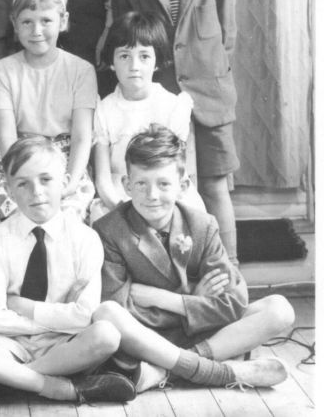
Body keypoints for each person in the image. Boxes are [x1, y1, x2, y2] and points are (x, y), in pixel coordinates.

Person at [0, 137, 136, 413]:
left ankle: (4, 381)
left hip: (64, 346)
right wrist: (56, 317)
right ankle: (55, 387)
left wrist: (26, 308)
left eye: (46, 179)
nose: (36, 192)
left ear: (65, 182)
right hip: (9, 345)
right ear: (8, 189)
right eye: (22, 183)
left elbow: (84, 316)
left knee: (106, 335)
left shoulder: (86, 239)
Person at [92, 125, 292, 392]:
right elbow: (119, 306)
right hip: (148, 340)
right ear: (127, 185)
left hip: (200, 335)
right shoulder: (109, 229)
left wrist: (170, 299)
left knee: (279, 310)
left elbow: (232, 303)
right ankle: (221, 371)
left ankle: (166, 371)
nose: (152, 195)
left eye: (163, 184)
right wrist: (197, 298)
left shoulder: (202, 225)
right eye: (141, 183)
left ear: (182, 186)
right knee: (108, 315)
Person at [110, 0, 239, 262]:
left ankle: (229, 270)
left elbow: (227, 35)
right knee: (168, 190)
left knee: (215, 186)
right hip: (159, 100)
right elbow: (126, 41)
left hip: (209, 96)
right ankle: (179, 270)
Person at [0, 0, 98, 220]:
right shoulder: (1, 72)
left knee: (66, 219)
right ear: (15, 25)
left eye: (46, 20)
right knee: (21, 220)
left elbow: (81, 137)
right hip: (19, 159)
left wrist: (69, 183)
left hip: (65, 161)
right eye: (27, 22)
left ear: (63, 21)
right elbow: (7, 139)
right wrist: (21, 178)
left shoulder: (81, 71)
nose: (36, 31)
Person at [91, 11, 204, 222]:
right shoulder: (105, 110)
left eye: (144, 56)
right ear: (112, 61)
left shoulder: (172, 106)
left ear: (157, 61)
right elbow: (103, 179)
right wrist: (123, 208)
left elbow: (182, 173)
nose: (134, 66)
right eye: (124, 56)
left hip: (165, 195)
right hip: (119, 196)